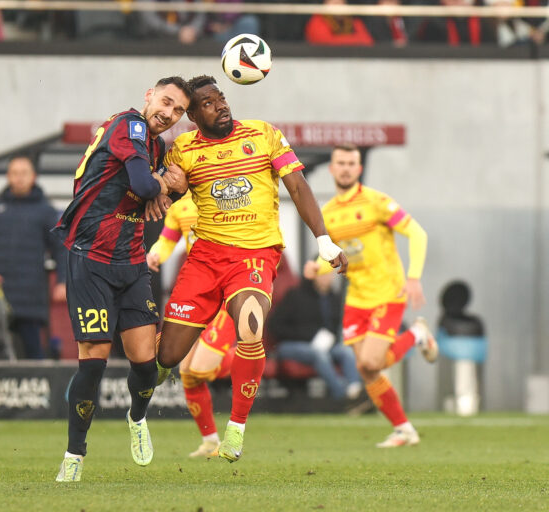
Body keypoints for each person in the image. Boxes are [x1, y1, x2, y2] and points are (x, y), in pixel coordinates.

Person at [153, 75, 348, 463]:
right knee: (170, 359)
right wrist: (162, 187)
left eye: (221, 98)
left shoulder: (263, 134)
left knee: (251, 326)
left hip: (255, 256)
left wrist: (324, 239)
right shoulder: (182, 150)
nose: (221, 105)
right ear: (192, 115)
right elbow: (166, 202)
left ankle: (235, 429)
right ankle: (143, 407)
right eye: (208, 103)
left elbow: (297, 185)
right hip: (206, 259)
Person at [51, 76, 191, 482]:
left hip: (130, 262)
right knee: (93, 363)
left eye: (178, 110)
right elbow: (144, 184)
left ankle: (137, 417)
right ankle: (74, 455)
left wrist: (169, 193)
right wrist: (164, 185)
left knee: (146, 364)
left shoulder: (158, 145)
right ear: (149, 96)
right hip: (90, 258)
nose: (168, 114)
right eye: (165, 102)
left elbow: (154, 193)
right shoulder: (129, 126)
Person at [305, 143, 438, 447]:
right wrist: (316, 268)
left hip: (387, 293)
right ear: (332, 168)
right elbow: (333, 258)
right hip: (356, 300)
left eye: (352, 163)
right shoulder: (328, 213)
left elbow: (417, 233)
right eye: (341, 162)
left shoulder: (377, 202)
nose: (346, 168)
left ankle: (417, 333)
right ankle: (404, 429)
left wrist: (414, 277)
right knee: (367, 369)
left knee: (372, 361)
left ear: (359, 168)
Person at [146, 190, 237, 458]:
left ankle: (251, 359)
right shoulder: (178, 208)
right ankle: (210, 442)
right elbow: (166, 241)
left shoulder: (221, 192)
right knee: (188, 374)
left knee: (198, 369)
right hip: (201, 293)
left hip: (228, 291)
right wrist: (154, 255)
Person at [0, 155, 67, 360]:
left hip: (31, 299)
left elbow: (61, 248)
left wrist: (62, 281)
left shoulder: (46, 211)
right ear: (8, 177)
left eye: (24, 173)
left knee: (34, 355)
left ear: (33, 177)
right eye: (15, 173)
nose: (19, 178)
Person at [267, 264, 362, 401]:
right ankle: (342, 396)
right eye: (322, 274)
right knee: (318, 354)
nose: (325, 278)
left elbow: (336, 329)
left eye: (329, 274)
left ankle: (355, 391)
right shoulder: (295, 295)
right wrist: (309, 336)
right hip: (289, 345)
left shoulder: (334, 299)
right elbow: (274, 326)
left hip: (324, 346)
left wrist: (329, 339)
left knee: (346, 352)